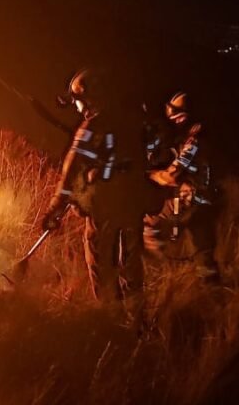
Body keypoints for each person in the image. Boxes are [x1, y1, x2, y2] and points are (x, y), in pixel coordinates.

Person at [42, 69, 146, 308]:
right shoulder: (132, 121)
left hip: (106, 207)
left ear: (88, 99)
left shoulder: (92, 127)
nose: (76, 107)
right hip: (133, 204)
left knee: (101, 263)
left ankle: (112, 320)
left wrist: (55, 208)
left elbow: (72, 170)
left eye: (77, 101)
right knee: (130, 264)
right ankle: (138, 319)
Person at [143, 92, 221, 283]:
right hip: (204, 202)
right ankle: (213, 293)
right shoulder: (197, 137)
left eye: (175, 112)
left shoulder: (193, 142)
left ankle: (163, 272)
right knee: (204, 254)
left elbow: (172, 175)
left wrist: (148, 174)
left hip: (190, 201)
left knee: (147, 222)